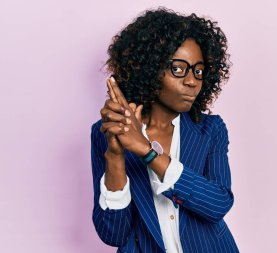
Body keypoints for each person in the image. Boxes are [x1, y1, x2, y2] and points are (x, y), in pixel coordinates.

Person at [90, 7, 239, 253]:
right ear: (149, 69)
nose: (192, 81)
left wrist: (148, 152)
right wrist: (116, 155)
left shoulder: (210, 130)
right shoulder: (106, 132)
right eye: (178, 69)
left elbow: (218, 204)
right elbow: (113, 234)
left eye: (198, 71)